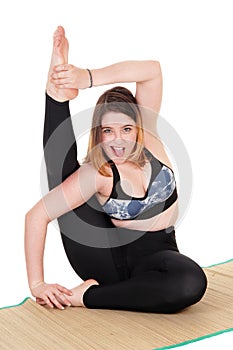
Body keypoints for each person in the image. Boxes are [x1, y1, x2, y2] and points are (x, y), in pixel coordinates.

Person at [25, 26, 207, 312]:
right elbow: (36, 216)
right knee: (65, 177)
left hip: (161, 252)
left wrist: (87, 78)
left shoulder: (151, 135)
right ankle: (57, 96)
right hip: (110, 260)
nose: (118, 139)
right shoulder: (99, 172)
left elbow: (151, 70)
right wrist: (37, 284)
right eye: (107, 130)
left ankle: (90, 296)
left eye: (126, 128)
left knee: (192, 281)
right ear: (98, 132)